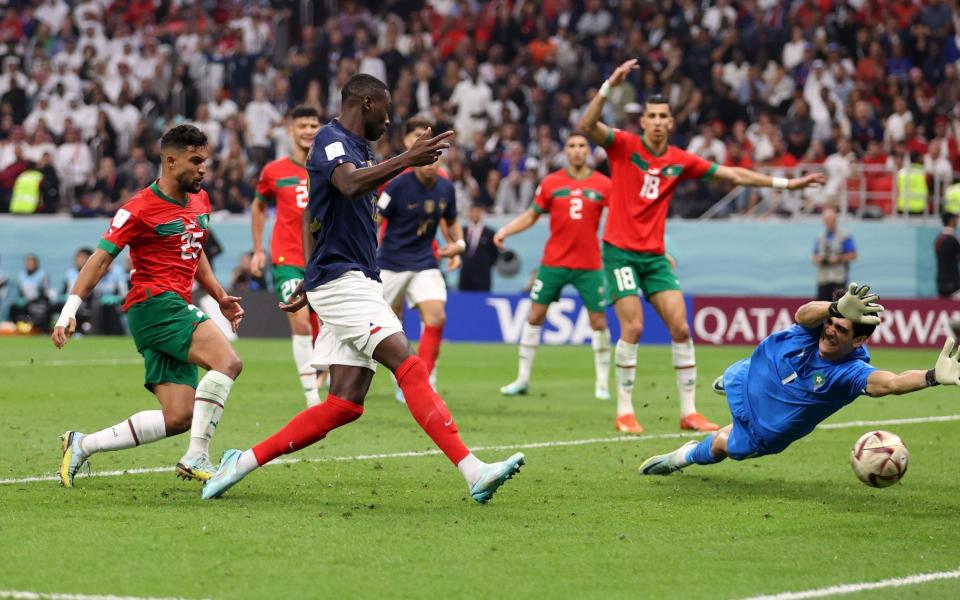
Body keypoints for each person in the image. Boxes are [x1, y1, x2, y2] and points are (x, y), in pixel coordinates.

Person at [201, 74, 524, 503]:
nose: (389, 120)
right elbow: (348, 184)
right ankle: (473, 469)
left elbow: (312, 215)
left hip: (350, 279)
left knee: (344, 404)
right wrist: (407, 158)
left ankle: (238, 463)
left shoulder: (362, 150)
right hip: (343, 282)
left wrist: (310, 277)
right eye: (387, 109)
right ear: (367, 103)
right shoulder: (330, 140)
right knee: (407, 363)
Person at [578, 59, 826, 434]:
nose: (659, 121)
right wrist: (609, 83)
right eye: (653, 115)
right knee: (634, 326)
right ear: (643, 122)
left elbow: (735, 174)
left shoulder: (679, 160)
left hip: (654, 257)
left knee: (680, 327)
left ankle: (689, 412)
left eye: (664, 115)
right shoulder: (623, 145)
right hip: (619, 253)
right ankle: (625, 411)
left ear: (671, 122)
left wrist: (786, 185)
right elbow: (586, 125)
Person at [53, 125, 246, 488]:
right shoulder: (139, 208)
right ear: (171, 162)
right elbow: (100, 260)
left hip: (173, 306)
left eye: (206, 160)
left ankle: (82, 444)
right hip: (155, 305)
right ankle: (197, 456)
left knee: (179, 417)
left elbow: (195, 249)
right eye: (196, 161)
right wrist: (70, 310)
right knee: (229, 362)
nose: (204, 168)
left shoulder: (200, 200)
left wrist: (220, 296)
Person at [639, 283, 959, 475]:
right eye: (831, 322)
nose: (831, 330)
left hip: (765, 425)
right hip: (749, 373)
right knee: (738, 374)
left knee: (724, 445)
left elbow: (889, 383)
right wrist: (834, 307)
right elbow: (803, 313)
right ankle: (733, 382)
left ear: (859, 341)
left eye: (842, 330)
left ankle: (681, 457)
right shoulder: (818, 323)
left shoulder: (849, 373)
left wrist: (931, 377)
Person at [495, 132, 613, 401]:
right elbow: (531, 215)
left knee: (598, 321)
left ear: (588, 151)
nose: (577, 150)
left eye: (582, 145)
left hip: (589, 264)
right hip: (554, 262)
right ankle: (522, 379)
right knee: (535, 316)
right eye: (572, 146)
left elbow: (619, 219)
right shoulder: (551, 182)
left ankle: (603, 384)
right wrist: (506, 231)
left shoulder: (604, 184)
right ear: (566, 151)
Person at [377, 116, 465, 402]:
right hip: (390, 263)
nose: (431, 161)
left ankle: (423, 380)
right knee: (380, 325)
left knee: (436, 316)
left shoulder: (446, 187)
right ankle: (339, 371)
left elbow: (451, 221)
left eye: (435, 157)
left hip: (425, 261)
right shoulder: (397, 185)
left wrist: (458, 244)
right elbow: (375, 221)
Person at [250, 105, 326, 407]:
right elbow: (258, 206)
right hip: (288, 258)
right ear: (290, 130)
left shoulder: (328, 167)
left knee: (329, 325)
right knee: (300, 322)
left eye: (313, 125)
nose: (308, 130)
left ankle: (326, 372)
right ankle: (312, 398)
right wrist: (258, 250)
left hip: (323, 258)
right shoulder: (274, 171)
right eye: (302, 125)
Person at [812, 206, 857, 301]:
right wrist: (819, 259)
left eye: (830, 219)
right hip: (823, 279)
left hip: (839, 279)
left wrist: (838, 259)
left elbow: (853, 255)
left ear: (835, 220)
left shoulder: (845, 236)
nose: (828, 222)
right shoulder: (820, 237)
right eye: (826, 220)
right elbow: (814, 257)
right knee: (821, 309)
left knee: (839, 310)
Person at [459, 204, 499, 292]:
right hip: (466, 271)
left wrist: (485, 263)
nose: (475, 214)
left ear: (481, 213)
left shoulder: (489, 233)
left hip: (483, 273)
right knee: (464, 298)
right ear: (469, 213)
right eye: (473, 212)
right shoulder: (462, 231)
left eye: (477, 212)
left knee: (482, 297)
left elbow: (494, 253)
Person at [10, 253, 51, 330]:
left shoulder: (42, 274)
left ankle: (42, 328)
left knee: (41, 311)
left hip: (38, 303)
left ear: (36, 263)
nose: (30, 264)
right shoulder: (21, 275)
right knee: (13, 308)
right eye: (28, 262)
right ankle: (18, 327)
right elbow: (20, 292)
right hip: (26, 303)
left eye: (32, 262)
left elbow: (45, 292)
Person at [935, 212, 960, 298]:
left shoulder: (938, 239)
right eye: (956, 219)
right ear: (951, 220)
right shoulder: (953, 239)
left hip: (940, 281)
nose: (957, 222)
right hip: (952, 283)